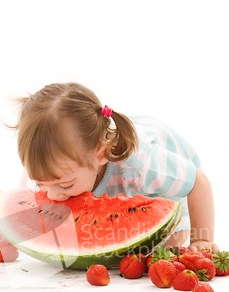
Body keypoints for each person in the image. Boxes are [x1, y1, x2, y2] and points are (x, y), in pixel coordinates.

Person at [11, 82, 218, 252]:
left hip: (169, 176)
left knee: (168, 244)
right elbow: (27, 196)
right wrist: (14, 234)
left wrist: (202, 240)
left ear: (100, 154)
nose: (53, 196)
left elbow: (198, 182)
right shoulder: (52, 173)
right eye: (41, 183)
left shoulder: (141, 165)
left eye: (65, 186)